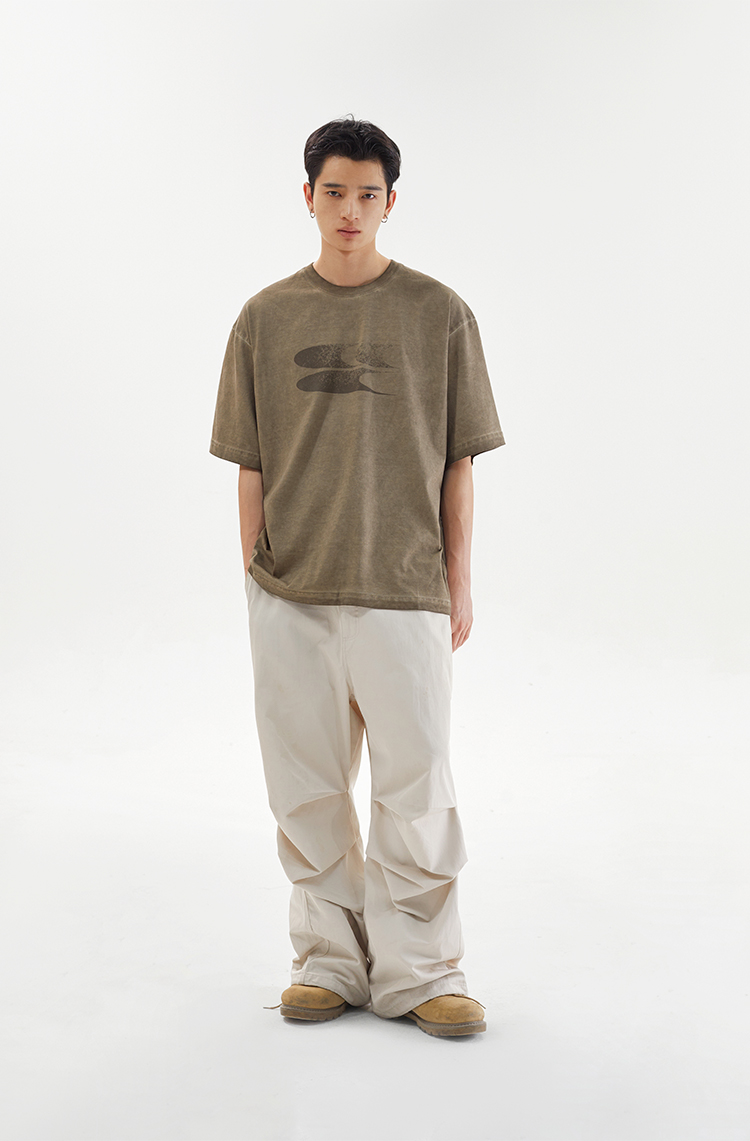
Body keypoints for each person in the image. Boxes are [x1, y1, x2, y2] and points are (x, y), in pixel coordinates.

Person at [209, 115, 505, 1038]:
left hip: (403, 588)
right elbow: (250, 459)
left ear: (390, 203)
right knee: (305, 785)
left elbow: (460, 460)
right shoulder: (264, 317)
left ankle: (423, 970)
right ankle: (328, 960)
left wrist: (459, 580)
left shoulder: (438, 312)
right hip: (291, 591)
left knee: (417, 789)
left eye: (367, 195)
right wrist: (256, 573)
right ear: (307, 196)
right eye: (333, 191)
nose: (349, 210)